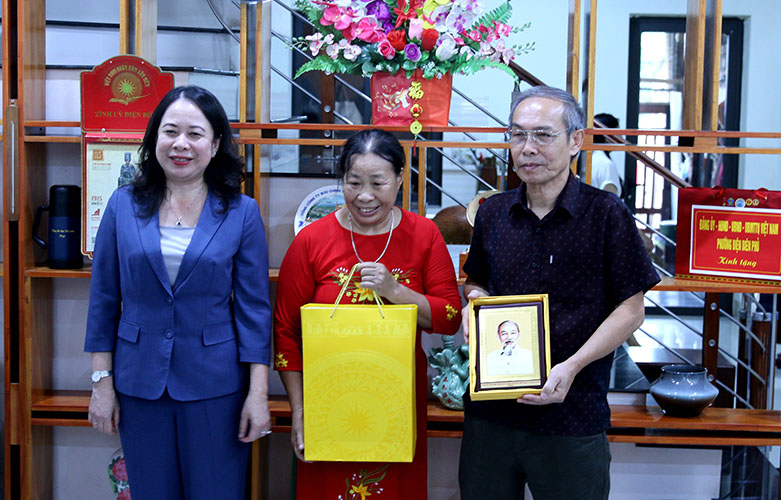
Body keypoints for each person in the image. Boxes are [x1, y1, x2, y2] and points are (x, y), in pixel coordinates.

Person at [458, 86, 660, 499]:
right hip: (491, 416)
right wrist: (474, 306)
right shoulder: (493, 213)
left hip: (573, 413)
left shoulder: (606, 214)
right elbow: (476, 281)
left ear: (575, 141)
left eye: (542, 135)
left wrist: (572, 366)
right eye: (517, 135)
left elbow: (631, 308)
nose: (527, 148)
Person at [84, 85, 272, 500]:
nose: (181, 144)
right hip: (139, 382)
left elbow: (255, 311)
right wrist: (101, 382)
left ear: (216, 143)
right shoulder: (121, 205)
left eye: (195, 133)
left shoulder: (242, 212)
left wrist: (258, 394)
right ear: (154, 139)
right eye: (170, 132)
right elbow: (103, 300)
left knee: (217, 492)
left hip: (216, 385)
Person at [274, 128, 462, 499]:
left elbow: (450, 316)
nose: (364, 196)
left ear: (399, 179)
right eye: (353, 182)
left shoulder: (424, 235)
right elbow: (286, 331)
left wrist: (396, 291)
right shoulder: (312, 240)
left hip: (397, 400)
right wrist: (301, 411)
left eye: (377, 182)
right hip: (328, 402)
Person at [590, 112, 623, 196]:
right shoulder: (605, 164)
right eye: (618, 133)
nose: (622, 137)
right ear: (607, 136)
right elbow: (610, 203)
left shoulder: (590, 157)